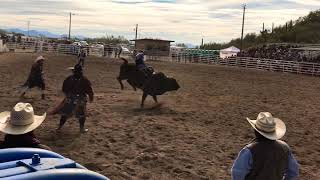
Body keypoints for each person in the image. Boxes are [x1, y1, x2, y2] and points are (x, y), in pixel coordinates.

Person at [231, 112, 299, 180]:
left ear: (255, 131)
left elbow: (237, 174)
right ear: (274, 132)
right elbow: (293, 172)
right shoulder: (285, 148)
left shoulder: (249, 150)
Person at [51, 64, 94, 133]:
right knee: (82, 115)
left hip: (70, 98)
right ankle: (81, 129)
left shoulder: (69, 78)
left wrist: (68, 95)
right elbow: (90, 90)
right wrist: (91, 98)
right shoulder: (85, 80)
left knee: (65, 114)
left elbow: (64, 89)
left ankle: (59, 128)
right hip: (80, 99)